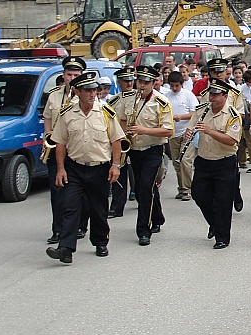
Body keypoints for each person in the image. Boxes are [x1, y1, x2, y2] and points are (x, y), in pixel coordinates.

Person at [46, 72, 126, 264]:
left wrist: (115, 165)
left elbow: (116, 140)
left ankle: (100, 241)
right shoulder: (67, 113)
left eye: (94, 90)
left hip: (99, 168)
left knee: (98, 208)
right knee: (70, 207)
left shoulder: (106, 112)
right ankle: (65, 248)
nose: (92, 94)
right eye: (88, 90)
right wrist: (60, 169)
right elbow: (60, 143)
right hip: (74, 167)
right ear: (77, 92)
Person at [120, 65, 174, 246]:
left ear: (154, 83)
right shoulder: (129, 99)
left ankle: (143, 229)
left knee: (143, 187)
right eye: (139, 82)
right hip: (135, 150)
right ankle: (157, 217)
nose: (141, 86)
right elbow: (121, 119)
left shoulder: (162, 102)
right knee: (148, 187)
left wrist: (143, 130)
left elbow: (168, 131)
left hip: (153, 149)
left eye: (145, 83)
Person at [190, 78, 242, 249]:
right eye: (210, 94)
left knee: (223, 201)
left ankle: (222, 237)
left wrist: (209, 131)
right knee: (198, 194)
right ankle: (214, 222)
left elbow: (231, 140)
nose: (211, 98)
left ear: (225, 96)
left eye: (215, 95)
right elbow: (192, 126)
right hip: (204, 160)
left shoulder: (233, 115)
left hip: (224, 162)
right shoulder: (201, 110)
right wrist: (189, 133)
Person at [43, 56, 89, 243]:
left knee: (81, 191)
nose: (72, 78)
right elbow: (47, 116)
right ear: (63, 75)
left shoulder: (86, 96)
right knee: (57, 190)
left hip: (77, 149)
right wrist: (48, 137)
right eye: (69, 74)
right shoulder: (54, 94)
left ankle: (80, 225)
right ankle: (58, 229)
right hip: (57, 148)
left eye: (76, 74)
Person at [107, 66, 137, 218]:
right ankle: (117, 206)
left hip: (137, 140)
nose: (129, 83)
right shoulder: (113, 100)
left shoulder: (139, 98)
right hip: (120, 141)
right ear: (119, 82)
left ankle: (141, 197)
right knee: (119, 171)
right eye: (126, 80)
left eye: (131, 80)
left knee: (140, 173)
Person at [165, 71, 199, 202]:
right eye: (172, 85)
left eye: (176, 86)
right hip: (173, 134)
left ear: (182, 84)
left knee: (185, 160)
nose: (174, 88)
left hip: (187, 132)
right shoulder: (166, 96)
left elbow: (196, 112)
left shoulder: (188, 95)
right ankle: (181, 187)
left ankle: (187, 189)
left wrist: (182, 117)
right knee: (176, 162)